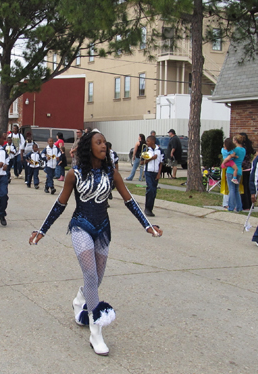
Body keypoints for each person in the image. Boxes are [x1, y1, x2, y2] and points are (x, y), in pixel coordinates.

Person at [29, 130, 162, 356]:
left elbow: (129, 200)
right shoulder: (74, 174)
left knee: (96, 279)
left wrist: (147, 225)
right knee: (91, 274)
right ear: (87, 147)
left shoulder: (112, 173)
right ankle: (96, 331)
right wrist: (42, 229)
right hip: (81, 226)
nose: (103, 146)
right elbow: (60, 204)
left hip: (102, 229)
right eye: (98, 143)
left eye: (104, 143)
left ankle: (80, 298)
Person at [141, 135, 163, 217]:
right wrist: (151, 158)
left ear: (153, 142)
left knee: (153, 191)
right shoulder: (146, 150)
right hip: (148, 172)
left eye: (148, 141)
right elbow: (142, 162)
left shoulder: (159, 150)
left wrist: (159, 173)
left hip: (155, 172)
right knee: (150, 188)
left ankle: (150, 209)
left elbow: (161, 163)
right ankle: (147, 208)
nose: (146, 143)